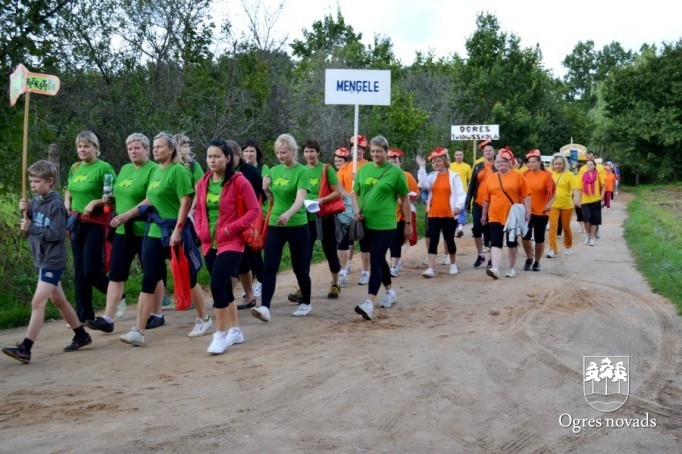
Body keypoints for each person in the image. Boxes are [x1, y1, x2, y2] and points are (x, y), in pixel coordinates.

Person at [119, 132, 211, 346]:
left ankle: (204, 318)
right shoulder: (155, 172)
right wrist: (126, 215)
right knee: (148, 279)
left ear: (171, 149)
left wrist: (178, 230)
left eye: (159, 146)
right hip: (153, 231)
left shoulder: (177, 171)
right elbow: (150, 199)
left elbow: (185, 202)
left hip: (174, 231)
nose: (155, 150)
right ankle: (138, 331)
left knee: (189, 277)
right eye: (154, 146)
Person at [3, 161, 92, 364]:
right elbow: (27, 231)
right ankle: (81, 335)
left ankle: (25, 348)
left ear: (50, 181)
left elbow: (57, 234)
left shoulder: (56, 205)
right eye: (31, 181)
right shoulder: (34, 202)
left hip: (53, 260)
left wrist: (31, 227)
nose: (32, 185)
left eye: (37, 181)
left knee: (38, 302)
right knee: (58, 299)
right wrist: (23, 214)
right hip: (40, 258)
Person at [85, 133, 159, 334]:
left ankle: (157, 313)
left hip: (146, 229)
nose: (133, 152)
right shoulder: (125, 169)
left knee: (152, 273)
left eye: (137, 148)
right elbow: (118, 193)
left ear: (146, 148)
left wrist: (127, 215)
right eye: (129, 149)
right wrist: (110, 202)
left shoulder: (154, 169)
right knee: (117, 273)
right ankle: (108, 318)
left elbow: (151, 199)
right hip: (122, 229)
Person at [194, 140, 261, 354]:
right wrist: (200, 229)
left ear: (228, 158)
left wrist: (231, 229)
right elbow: (198, 210)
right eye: (209, 156)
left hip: (232, 241)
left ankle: (220, 335)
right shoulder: (203, 182)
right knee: (223, 288)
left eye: (217, 156)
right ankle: (236, 330)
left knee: (216, 285)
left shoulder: (239, 181)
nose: (212, 160)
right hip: (208, 243)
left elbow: (254, 210)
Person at [251, 134, 311, 322]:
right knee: (269, 266)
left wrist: (289, 214)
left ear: (293, 151)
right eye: (277, 152)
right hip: (275, 224)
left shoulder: (302, 171)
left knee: (299, 267)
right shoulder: (274, 171)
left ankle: (306, 302)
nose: (280, 155)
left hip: (297, 224)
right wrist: (267, 189)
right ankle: (265, 307)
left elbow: (300, 199)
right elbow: (273, 200)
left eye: (284, 152)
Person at [353, 135, 410, 321]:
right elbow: (355, 192)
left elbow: (405, 199)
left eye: (379, 151)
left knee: (376, 259)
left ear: (387, 152)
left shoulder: (395, 173)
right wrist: (356, 210)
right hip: (365, 223)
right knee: (379, 259)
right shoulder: (363, 170)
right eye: (373, 151)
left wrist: (408, 224)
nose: (376, 154)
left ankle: (369, 303)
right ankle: (390, 292)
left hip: (386, 224)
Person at [64, 131, 117, 323]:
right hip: (77, 223)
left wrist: (95, 202)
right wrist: (67, 200)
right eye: (79, 146)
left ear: (96, 148)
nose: (82, 149)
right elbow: (70, 188)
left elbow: (112, 197)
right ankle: (84, 316)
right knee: (79, 271)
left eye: (86, 146)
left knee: (90, 270)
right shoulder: (75, 167)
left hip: (96, 223)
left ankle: (117, 295)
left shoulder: (104, 168)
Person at [292, 138, 344, 301]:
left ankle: (335, 284)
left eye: (312, 151)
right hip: (306, 217)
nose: (309, 154)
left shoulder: (326, 169)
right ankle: (302, 288)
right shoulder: (301, 170)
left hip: (325, 217)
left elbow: (338, 192)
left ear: (318, 152)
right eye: (306, 151)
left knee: (329, 251)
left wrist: (320, 200)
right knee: (305, 254)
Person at [480, 148, 531, 279]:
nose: (500, 163)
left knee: (511, 242)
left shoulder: (518, 176)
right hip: (494, 213)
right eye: (498, 161)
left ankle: (511, 268)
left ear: (510, 163)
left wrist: (528, 211)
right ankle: (495, 268)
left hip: (512, 215)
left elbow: (526, 195)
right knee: (495, 241)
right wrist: (484, 214)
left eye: (504, 161)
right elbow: (486, 198)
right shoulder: (491, 178)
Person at [417, 147, 466, 277]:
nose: (436, 164)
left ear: (445, 161)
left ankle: (453, 264)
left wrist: (458, 206)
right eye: (433, 162)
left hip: (449, 214)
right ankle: (430, 268)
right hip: (434, 213)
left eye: (438, 161)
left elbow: (461, 194)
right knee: (433, 240)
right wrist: (422, 167)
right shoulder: (432, 177)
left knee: (449, 239)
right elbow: (422, 184)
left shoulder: (454, 176)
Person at [229, 141, 267, 310]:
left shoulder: (249, 172)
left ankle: (263, 285)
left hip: (249, 221)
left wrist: (260, 216)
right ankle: (243, 295)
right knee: (238, 259)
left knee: (253, 255)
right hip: (229, 223)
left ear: (237, 155)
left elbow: (262, 195)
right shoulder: (221, 173)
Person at [337, 135, 371, 285]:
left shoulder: (370, 166)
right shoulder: (345, 168)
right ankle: (343, 270)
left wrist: (360, 179)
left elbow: (374, 186)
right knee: (344, 241)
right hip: (347, 208)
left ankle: (365, 271)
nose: (356, 151)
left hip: (365, 206)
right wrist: (344, 192)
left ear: (364, 150)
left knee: (364, 242)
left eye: (360, 149)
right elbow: (337, 185)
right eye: (353, 149)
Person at [241, 139, 269, 298]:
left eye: (252, 151)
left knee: (254, 248)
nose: (249, 154)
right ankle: (251, 286)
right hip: (243, 215)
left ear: (257, 153)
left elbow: (265, 192)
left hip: (258, 214)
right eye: (246, 151)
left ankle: (262, 281)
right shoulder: (240, 169)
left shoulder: (263, 168)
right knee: (245, 251)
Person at [520, 150, 555, 272]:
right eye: (529, 162)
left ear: (539, 162)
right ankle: (529, 257)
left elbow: (554, 193)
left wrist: (549, 204)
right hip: (527, 211)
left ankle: (537, 261)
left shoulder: (546, 175)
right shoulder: (524, 175)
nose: (531, 164)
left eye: (534, 162)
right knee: (525, 236)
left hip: (542, 211)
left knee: (539, 238)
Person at [387, 148, 419, 277]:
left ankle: (394, 265)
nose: (393, 164)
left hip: (401, 214)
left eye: (395, 161)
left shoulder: (407, 176)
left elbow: (416, 193)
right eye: (391, 161)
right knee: (389, 241)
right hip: (386, 214)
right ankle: (395, 261)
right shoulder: (382, 176)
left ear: (400, 163)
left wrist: (405, 199)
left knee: (396, 240)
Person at [466, 140, 496, 269]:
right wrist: (467, 203)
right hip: (478, 202)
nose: (488, 152)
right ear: (483, 152)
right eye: (485, 151)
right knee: (477, 228)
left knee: (489, 230)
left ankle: (491, 258)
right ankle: (480, 254)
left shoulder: (498, 165)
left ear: (494, 152)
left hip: (493, 203)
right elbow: (472, 185)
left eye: (490, 150)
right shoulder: (478, 166)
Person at [547, 154, 581, 257]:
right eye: (556, 164)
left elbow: (575, 188)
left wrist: (576, 199)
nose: (558, 166)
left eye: (560, 164)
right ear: (553, 164)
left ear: (564, 164)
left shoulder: (569, 174)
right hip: (553, 204)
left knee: (566, 227)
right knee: (553, 227)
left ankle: (568, 246)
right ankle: (553, 249)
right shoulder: (549, 173)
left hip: (567, 205)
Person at [333, 147, 354, 281]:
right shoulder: (336, 173)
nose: (338, 163)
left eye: (340, 160)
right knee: (343, 239)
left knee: (348, 238)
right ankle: (344, 266)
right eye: (336, 160)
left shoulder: (350, 170)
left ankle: (345, 267)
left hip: (350, 206)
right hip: (339, 207)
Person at [580, 159, 605, 246]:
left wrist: (601, 198)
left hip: (595, 200)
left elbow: (604, 187)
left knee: (594, 221)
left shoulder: (599, 175)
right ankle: (588, 234)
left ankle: (592, 238)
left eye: (591, 164)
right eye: (588, 165)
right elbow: (580, 189)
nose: (589, 166)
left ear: (594, 166)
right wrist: (578, 200)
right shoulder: (582, 176)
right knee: (586, 219)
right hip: (585, 201)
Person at [450, 150, 472, 238]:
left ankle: (460, 227)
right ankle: (455, 227)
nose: (459, 156)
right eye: (457, 155)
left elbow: (470, 180)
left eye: (460, 155)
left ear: (463, 156)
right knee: (454, 210)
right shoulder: (450, 166)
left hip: (464, 192)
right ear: (454, 156)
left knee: (462, 210)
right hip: (453, 192)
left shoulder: (467, 167)